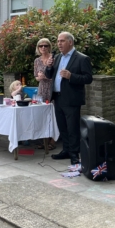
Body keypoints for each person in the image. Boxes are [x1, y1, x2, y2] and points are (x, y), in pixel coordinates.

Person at [45, 31, 93, 165]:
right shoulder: (58, 57)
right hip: (58, 98)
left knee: (72, 128)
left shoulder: (82, 58)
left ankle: (74, 154)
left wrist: (71, 76)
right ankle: (66, 150)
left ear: (70, 42)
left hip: (71, 99)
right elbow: (49, 76)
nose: (59, 43)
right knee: (62, 127)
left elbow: (88, 78)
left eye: (62, 41)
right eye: (58, 41)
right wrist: (49, 67)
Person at [34, 38, 56, 150]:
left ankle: (53, 140)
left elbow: (56, 75)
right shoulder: (37, 61)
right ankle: (44, 140)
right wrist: (40, 77)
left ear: (49, 47)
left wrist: (46, 77)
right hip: (42, 89)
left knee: (53, 115)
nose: (43, 47)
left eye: (45, 45)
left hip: (52, 88)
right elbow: (36, 77)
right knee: (42, 115)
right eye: (40, 46)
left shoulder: (54, 58)